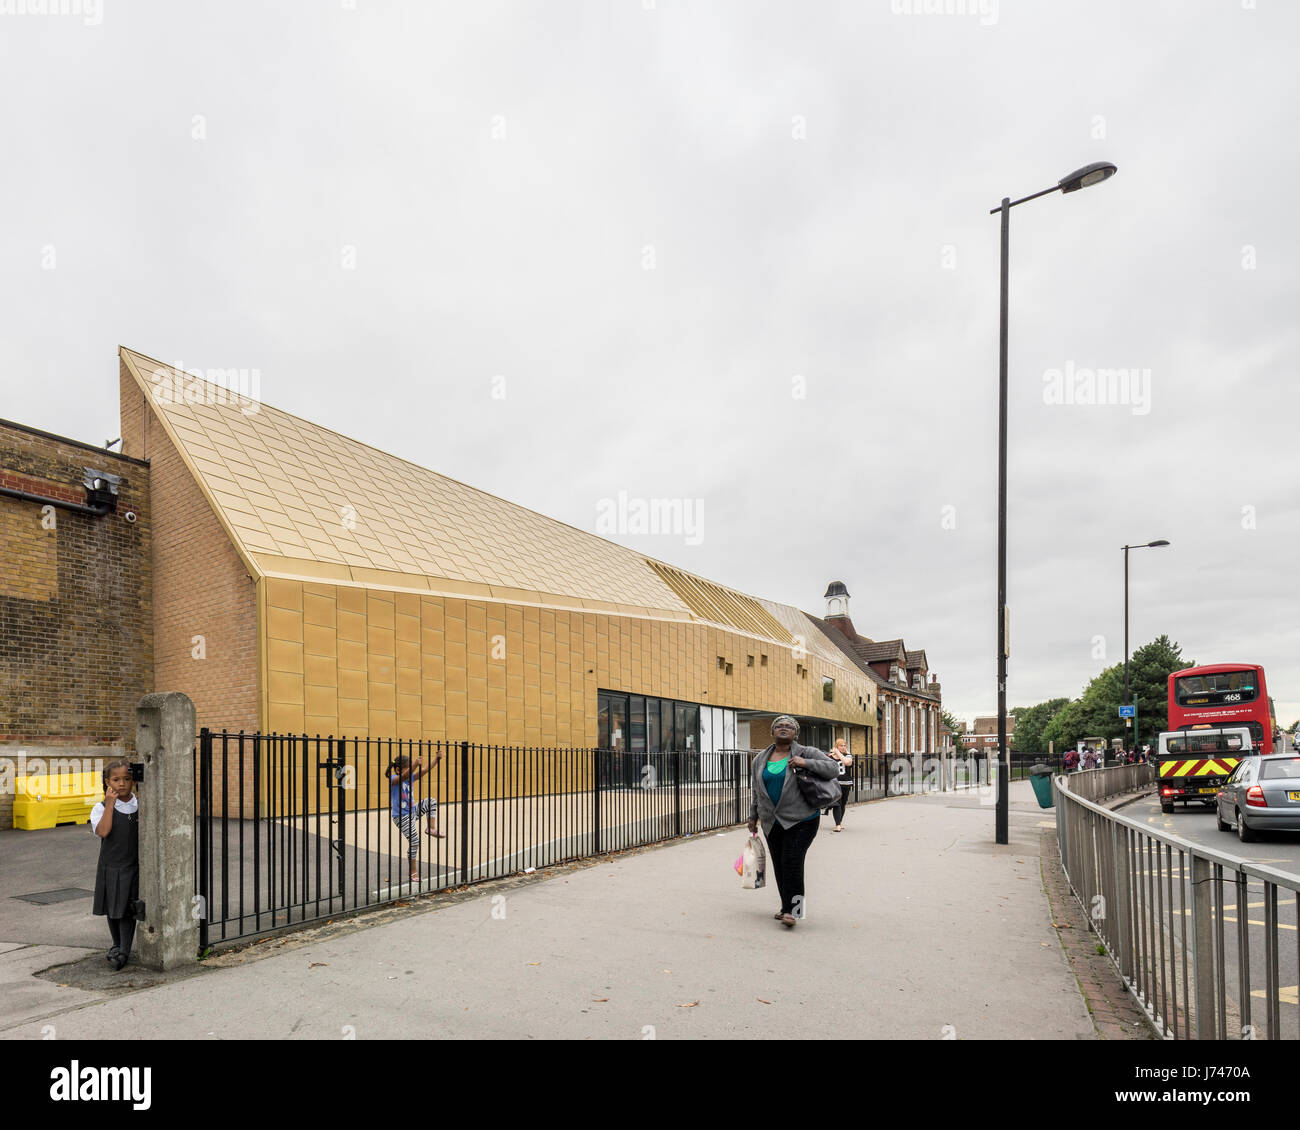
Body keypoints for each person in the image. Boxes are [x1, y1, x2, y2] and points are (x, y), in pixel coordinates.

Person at [746, 716, 839, 927]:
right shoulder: (760, 759)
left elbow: (833, 769)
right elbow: (756, 790)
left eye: (789, 726)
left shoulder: (807, 752)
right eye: (779, 725)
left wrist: (804, 763)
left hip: (802, 820)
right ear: (772, 731)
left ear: (795, 733)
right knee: (780, 864)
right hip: (772, 822)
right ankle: (785, 906)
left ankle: (794, 911)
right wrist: (753, 815)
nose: (784, 728)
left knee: (792, 862)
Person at [90, 759, 140, 971]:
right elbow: (103, 831)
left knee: (129, 909)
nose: (122, 784)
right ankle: (117, 945)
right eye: (116, 779)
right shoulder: (100, 808)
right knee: (113, 908)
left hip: (134, 866)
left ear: (134, 781)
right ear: (107, 782)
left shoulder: (140, 805)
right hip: (112, 866)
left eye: (127, 779)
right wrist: (110, 804)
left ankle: (123, 951)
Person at [386, 752, 445, 882]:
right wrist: (414, 765)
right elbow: (404, 776)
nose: (409, 770)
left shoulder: (410, 776)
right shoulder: (393, 779)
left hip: (412, 812)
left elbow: (425, 769)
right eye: (406, 767)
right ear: (397, 769)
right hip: (401, 817)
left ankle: (431, 828)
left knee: (431, 801)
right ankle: (412, 871)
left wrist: (436, 759)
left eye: (409, 767)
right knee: (415, 841)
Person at [826, 737, 854, 831]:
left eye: (845, 745)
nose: (843, 747)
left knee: (843, 804)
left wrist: (838, 753)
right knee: (837, 803)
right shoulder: (830, 757)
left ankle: (840, 822)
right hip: (834, 784)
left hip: (846, 784)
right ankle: (837, 825)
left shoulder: (848, 755)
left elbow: (847, 762)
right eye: (841, 745)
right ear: (836, 746)